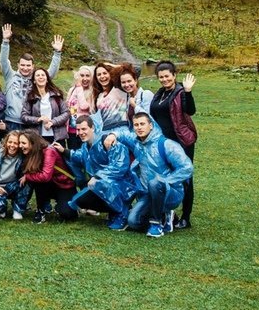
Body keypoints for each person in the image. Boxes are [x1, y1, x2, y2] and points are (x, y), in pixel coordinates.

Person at [65, 115, 141, 230]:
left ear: (93, 128)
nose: (80, 132)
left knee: (97, 187)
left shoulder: (107, 141)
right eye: (78, 129)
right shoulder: (86, 146)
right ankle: (114, 211)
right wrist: (64, 151)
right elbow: (81, 156)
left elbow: (120, 165)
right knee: (80, 200)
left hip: (124, 185)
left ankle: (122, 213)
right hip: (105, 184)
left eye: (84, 129)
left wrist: (98, 176)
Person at [125, 111, 194, 237]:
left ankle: (156, 224)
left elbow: (187, 168)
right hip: (148, 194)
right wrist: (111, 135)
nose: (139, 127)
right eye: (136, 125)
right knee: (133, 222)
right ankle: (166, 216)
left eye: (142, 124)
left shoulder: (166, 144)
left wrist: (164, 180)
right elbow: (123, 135)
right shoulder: (137, 143)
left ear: (151, 125)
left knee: (155, 182)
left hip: (171, 191)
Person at [148, 60, 197, 229]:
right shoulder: (160, 93)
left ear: (174, 75)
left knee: (184, 177)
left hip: (181, 141)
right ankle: (168, 212)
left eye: (167, 76)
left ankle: (186, 217)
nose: (164, 80)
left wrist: (189, 91)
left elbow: (190, 110)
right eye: (161, 77)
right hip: (164, 143)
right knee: (165, 175)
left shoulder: (180, 92)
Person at [0, 24, 63, 131]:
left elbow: (51, 72)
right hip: (11, 121)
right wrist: (5, 41)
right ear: (18, 65)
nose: (25, 68)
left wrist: (57, 53)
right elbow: (3, 61)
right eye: (23, 65)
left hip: (30, 122)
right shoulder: (10, 75)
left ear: (33, 66)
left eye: (28, 65)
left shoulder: (36, 79)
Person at [15, 130, 78, 223]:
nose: (20, 146)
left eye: (23, 143)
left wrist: (27, 176)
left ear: (33, 143)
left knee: (67, 214)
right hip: (50, 184)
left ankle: (64, 205)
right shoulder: (30, 151)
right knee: (36, 180)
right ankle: (40, 211)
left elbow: (45, 176)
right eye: (20, 143)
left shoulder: (49, 151)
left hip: (64, 185)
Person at [21, 67, 70, 147]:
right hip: (38, 137)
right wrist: (38, 119)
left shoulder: (56, 95)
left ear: (47, 79)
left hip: (57, 136)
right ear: (34, 80)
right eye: (38, 75)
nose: (40, 77)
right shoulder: (30, 97)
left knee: (58, 159)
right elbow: (24, 116)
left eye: (43, 75)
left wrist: (52, 122)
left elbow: (66, 113)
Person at [93, 61, 129, 131]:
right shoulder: (99, 95)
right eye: (99, 74)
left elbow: (135, 70)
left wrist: (110, 65)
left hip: (121, 127)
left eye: (105, 73)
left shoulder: (118, 88)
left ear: (111, 74)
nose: (102, 76)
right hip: (105, 129)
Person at [66, 65, 95, 150]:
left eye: (87, 76)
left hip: (84, 130)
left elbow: (84, 106)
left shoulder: (92, 91)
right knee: (73, 157)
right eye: (82, 76)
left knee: (84, 155)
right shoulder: (72, 89)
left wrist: (79, 88)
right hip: (71, 129)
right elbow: (69, 106)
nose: (84, 79)